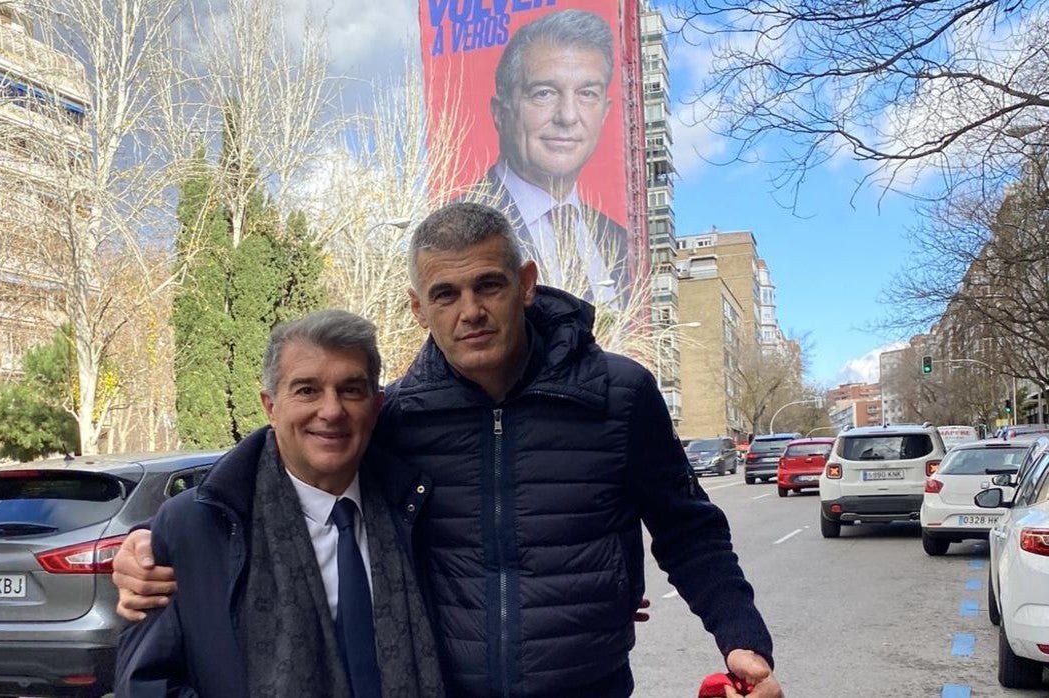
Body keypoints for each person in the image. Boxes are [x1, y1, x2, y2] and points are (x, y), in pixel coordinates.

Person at [115, 203, 781, 697]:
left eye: (488, 284)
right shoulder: (395, 416)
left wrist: (741, 637)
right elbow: (288, 460)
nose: (471, 311)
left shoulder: (619, 394)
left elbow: (689, 530)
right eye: (446, 293)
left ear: (525, 282)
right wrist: (153, 538)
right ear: (417, 308)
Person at [114, 310, 442, 697]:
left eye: (351, 389)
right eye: (307, 390)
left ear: (376, 404)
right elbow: (146, 686)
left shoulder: (415, 511)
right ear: (270, 406)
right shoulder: (193, 529)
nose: (332, 410)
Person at [462, 9, 630, 303]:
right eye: (544, 93)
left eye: (587, 93)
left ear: (606, 110)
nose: (567, 116)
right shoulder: (461, 228)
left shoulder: (619, 240)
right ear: (501, 112)